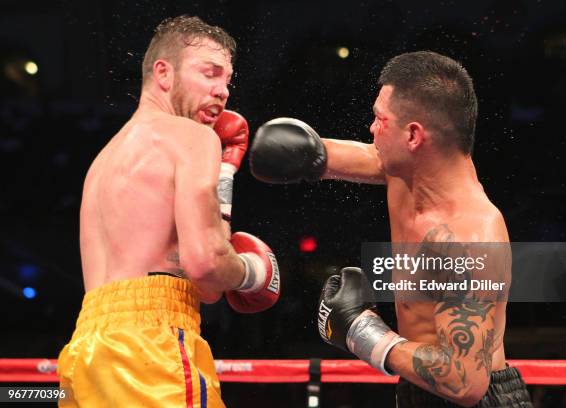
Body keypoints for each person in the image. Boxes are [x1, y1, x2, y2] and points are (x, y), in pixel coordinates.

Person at [250, 51, 532, 407]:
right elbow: (371, 156)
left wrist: (361, 332)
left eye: (380, 120)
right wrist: (310, 154)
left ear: (414, 135)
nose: (372, 129)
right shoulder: (406, 170)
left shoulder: (470, 237)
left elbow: (465, 382)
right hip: (418, 388)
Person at [57, 15, 280, 407]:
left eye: (227, 80)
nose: (222, 90)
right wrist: (255, 273)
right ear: (163, 72)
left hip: (86, 351)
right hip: (151, 348)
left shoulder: (104, 161)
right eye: (209, 74)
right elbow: (207, 265)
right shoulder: (191, 137)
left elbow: (205, 289)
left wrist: (225, 173)